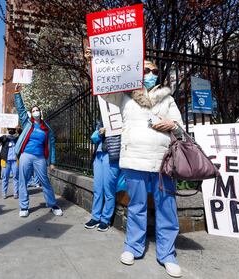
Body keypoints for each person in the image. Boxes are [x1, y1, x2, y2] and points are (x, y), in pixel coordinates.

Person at [86, 49, 184, 278]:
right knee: (137, 206)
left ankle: (167, 254)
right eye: (147, 70)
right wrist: (95, 61)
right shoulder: (124, 95)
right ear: (137, 73)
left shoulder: (167, 98)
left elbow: (180, 127)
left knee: (167, 208)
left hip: (162, 162)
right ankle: (133, 246)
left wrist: (171, 124)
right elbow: (102, 88)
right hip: (133, 159)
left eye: (155, 71)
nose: (151, 73)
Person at [13, 84, 63, 217]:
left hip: (40, 157)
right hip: (26, 155)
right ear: (32, 113)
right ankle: (24, 207)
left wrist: (52, 162)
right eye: (33, 110)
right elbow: (21, 110)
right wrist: (17, 93)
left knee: (45, 181)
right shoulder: (27, 123)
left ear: (41, 113)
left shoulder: (46, 128)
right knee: (23, 180)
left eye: (37, 110)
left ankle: (52, 204)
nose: (35, 111)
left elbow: (51, 145)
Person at [84, 121, 121, 232]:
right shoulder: (102, 119)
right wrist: (100, 133)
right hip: (99, 156)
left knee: (108, 189)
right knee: (97, 189)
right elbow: (94, 138)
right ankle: (95, 217)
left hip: (112, 156)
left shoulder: (120, 117)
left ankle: (105, 220)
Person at [0, 125, 19, 199]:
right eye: (10, 129)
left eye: (13, 129)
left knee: (16, 177)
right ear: (8, 130)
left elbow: (22, 136)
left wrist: (19, 129)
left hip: (15, 161)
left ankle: (16, 193)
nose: (11, 131)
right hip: (6, 161)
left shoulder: (17, 138)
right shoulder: (4, 138)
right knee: (5, 177)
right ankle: (4, 193)